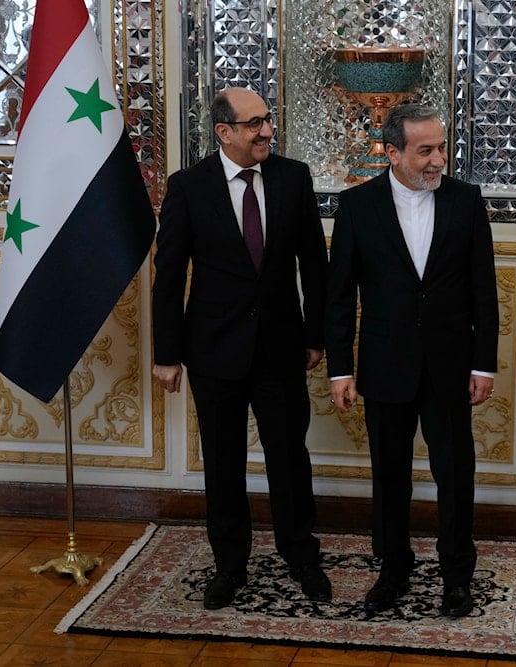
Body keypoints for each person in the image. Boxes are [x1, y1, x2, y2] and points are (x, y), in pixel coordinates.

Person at [151, 87, 331, 610]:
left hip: (281, 347)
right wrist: (168, 353)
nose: (266, 131)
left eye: (268, 121)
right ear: (224, 132)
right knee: (223, 462)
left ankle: (301, 556)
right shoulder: (188, 187)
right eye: (254, 124)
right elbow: (169, 276)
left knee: (289, 459)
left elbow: (313, 267)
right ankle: (230, 565)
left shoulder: (292, 178)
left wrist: (315, 336)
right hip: (214, 350)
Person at [325, 103, 499, 617]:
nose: (437, 160)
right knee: (390, 476)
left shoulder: (466, 202)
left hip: (451, 365)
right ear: (392, 152)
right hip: (385, 366)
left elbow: (483, 294)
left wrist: (483, 364)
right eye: (425, 150)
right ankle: (393, 570)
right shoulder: (356, 206)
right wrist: (341, 369)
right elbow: (339, 298)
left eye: (441, 148)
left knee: (455, 474)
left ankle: (456, 577)